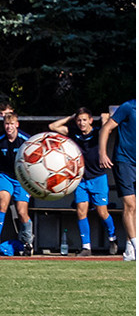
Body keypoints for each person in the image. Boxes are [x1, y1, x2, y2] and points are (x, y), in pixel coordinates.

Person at [50, 108, 115, 256]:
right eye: (79, 120)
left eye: (84, 120)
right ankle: (86, 247)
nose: (81, 123)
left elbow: (108, 125)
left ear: (90, 120)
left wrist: (105, 118)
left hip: (98, 177)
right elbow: (53, 127)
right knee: (81, 212)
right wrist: (70, 118)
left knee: (102, 212)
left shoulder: (99, 132)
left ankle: (113, 237)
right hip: (81, 179)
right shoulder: (74, 133)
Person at [0, 107, 31, 257]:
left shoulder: (25, 139)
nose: (9, 127)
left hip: (21, 178)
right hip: (5, 176)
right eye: (6, 124)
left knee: (22, 212)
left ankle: (27, 243)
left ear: (17, 124)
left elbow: (34, 160)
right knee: (1, 206)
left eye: (12, 124)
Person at [97, 98, 135, 261]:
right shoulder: (129, 107)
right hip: (124, 160)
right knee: (130, 203)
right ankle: (136, 247)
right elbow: (106, 128)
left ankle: (129, 248)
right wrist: (102, 153)